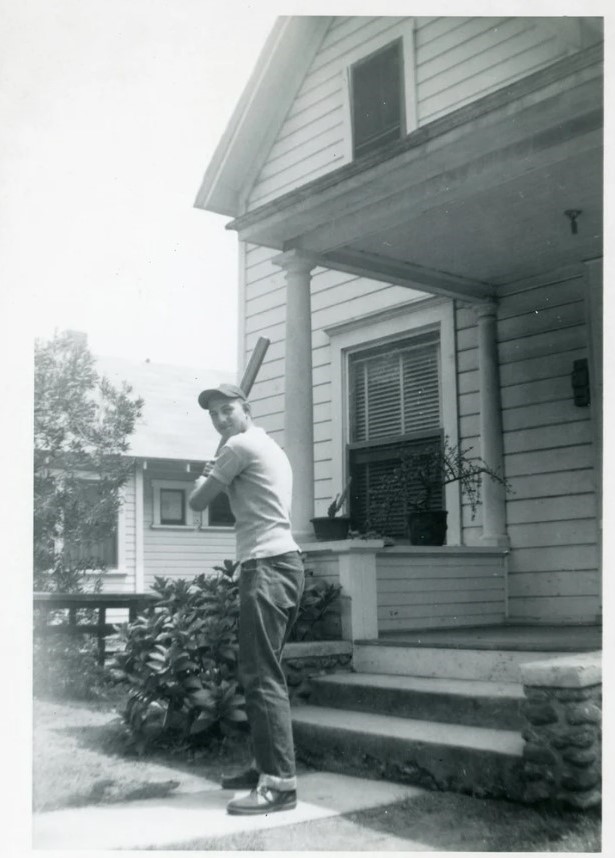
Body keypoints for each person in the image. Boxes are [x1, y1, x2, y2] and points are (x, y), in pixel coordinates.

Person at [189, 382, 304, 816]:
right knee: (261, 672)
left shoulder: (238, 446)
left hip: (266, 567)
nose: (220, 419)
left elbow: (198, 502)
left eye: (227, 410)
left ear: (246, 409)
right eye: (214, 414)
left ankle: (279, 785)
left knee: (261, 676)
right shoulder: (268, 446)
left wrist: (205, 474)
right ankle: (265, 767)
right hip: (284, 565)